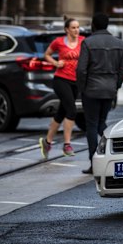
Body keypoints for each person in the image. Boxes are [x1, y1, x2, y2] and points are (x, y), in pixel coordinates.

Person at [77, 13, 123, 174]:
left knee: (91, 125)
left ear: (93, 24)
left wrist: (82, 88)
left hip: (91, 89)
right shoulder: (119, 43)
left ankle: (95, 163)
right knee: (101, 123)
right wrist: (116, 85)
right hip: (109, 88)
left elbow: (81, 69)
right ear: (107, 25)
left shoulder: (88, 42)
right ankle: (117, 151)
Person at [39, 17, 85, 159]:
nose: (76, 30)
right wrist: (56, 63)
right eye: (73, 27)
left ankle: (47, 142)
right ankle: (67, 144)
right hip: (61, 80)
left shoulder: (83, 41)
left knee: (61, 113)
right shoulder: (58, 42)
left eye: (78, 27)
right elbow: (46, 55)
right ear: (66, 29)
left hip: (75, 81)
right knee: (71, 110)